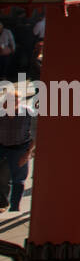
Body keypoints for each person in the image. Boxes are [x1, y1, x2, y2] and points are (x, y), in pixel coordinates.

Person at [0, 81, 35, 211]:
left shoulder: (28, 113)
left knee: (18, 179)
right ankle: (2, 203)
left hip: (20, 148)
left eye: (14, 101)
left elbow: (36, 133)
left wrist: (28, 153)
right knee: (2, 176)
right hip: (3, 147)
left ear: (19, 102)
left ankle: (15, 207)